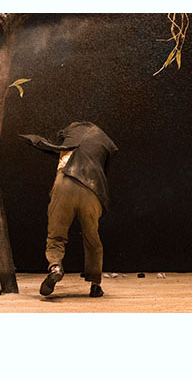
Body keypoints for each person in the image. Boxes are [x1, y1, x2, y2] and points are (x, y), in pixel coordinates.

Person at [20, 121, 117, 297]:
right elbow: (105, 170)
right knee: (92, 239)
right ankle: (95, 285)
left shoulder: (70, 134)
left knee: (56, 235)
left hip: (64, 183)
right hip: (92, 188)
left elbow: (53, 145)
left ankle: (55, 267)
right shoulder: (105, 142)